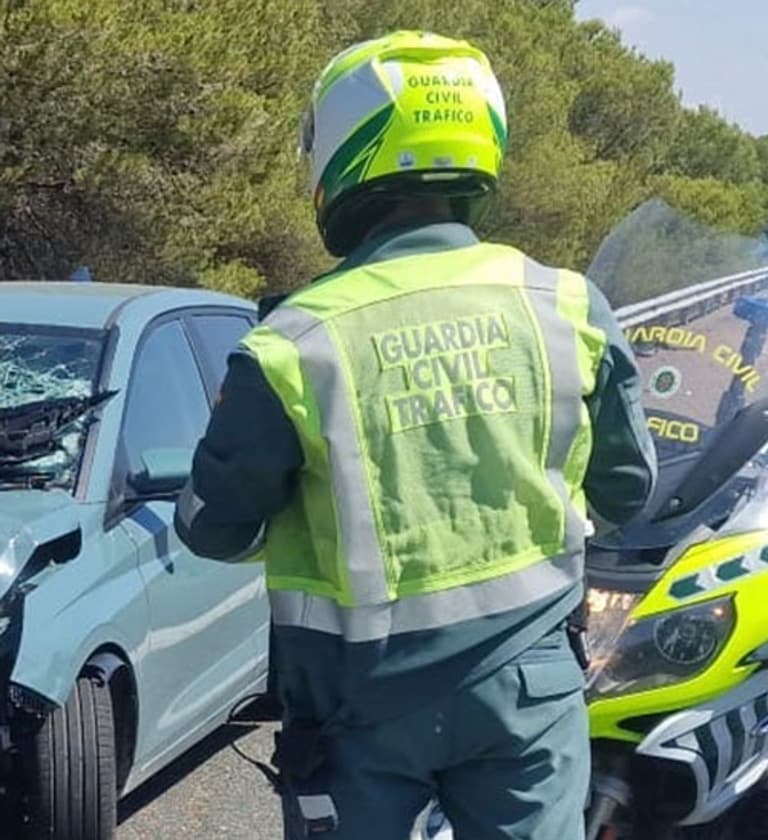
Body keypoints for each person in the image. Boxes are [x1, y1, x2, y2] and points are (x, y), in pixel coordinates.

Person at [173, 30, 658, 840]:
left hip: (357, 709)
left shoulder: (294, 341)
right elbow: (624, 491)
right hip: (527, 694)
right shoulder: (567, 306)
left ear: (340, 154)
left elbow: (213, 530)